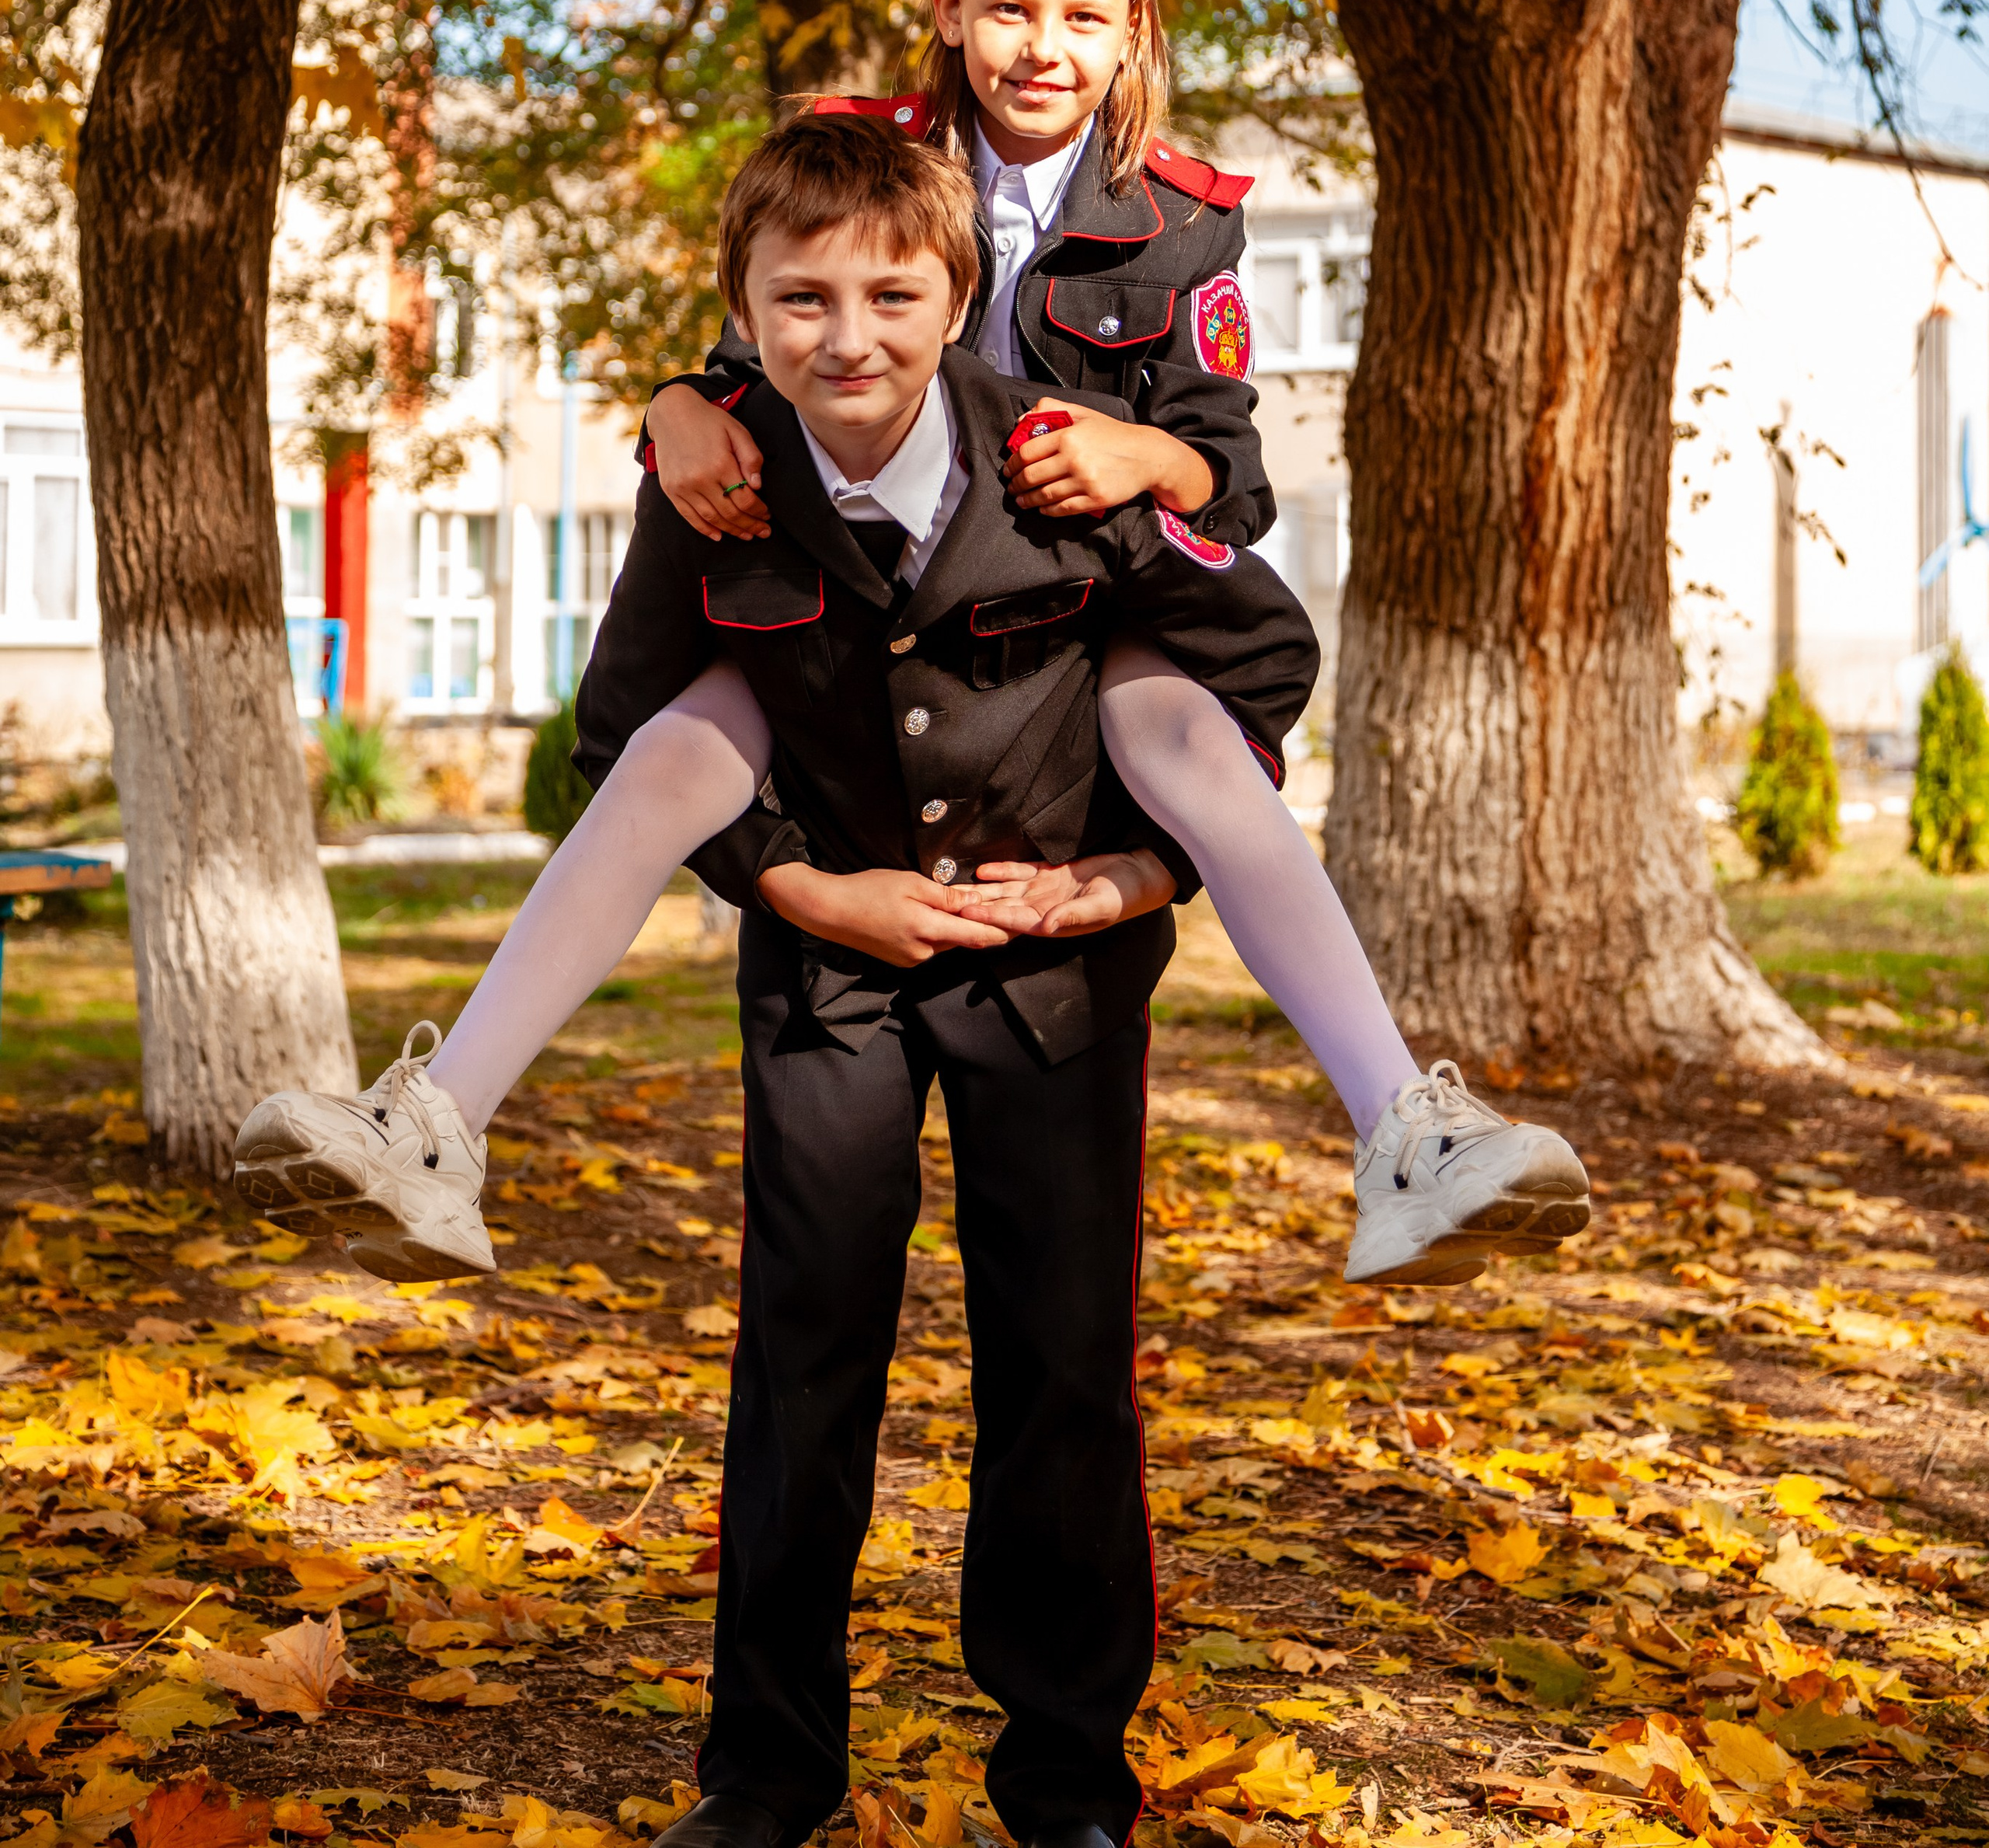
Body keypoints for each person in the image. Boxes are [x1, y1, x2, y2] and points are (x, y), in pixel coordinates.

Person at [236, 114, 1320, 1848]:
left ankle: (1066, 1784)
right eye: (800, 299)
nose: (847, 335)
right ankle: (763, 1776)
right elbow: (627, 729)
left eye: (891, 297)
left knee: (1063, 1368)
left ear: (957, 296)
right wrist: (805, 888)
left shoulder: (1064, 463)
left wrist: (1138, 873)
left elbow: (1260, 663)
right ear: (741, 314)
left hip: (1054, 976)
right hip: (828, 976)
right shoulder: (716, 481)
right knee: (803, 1360)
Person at [638, 0, 1589, 1284]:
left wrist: (1147, 457)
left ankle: (1405, 1127)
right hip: (869, 608)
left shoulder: (1183, 223)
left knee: (1196, 744)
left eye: (1085, 18)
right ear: (948, 8)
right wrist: (669, 408)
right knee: (671, 748)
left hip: (1081, 612)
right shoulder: (858, 157)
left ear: (1133, 28)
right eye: (1010, 10)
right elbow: (747, 361)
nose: (1044, 48)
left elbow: (1233, 479)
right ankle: (440, 1117)